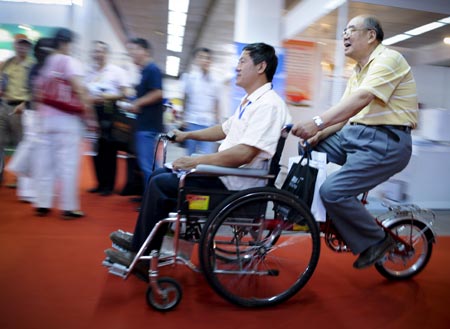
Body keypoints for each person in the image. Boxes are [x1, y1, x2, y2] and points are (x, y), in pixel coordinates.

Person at [105, 42, 292, 274]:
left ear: (261, 66)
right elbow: (223, 129)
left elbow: (245, 153)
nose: (237, 67)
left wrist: (195, 162)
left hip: (235, 184)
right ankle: (142, 245)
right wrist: (187, 135)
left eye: (242, 61)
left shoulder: (269, 106)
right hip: (226, 176)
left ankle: (142, 254)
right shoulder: (251, 101)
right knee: (159, 174)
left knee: (161, 184)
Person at [291, 15, 418, 269]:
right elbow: (346, 112)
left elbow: (362, 98)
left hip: (386, 141)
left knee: (333, 191)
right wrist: (319, 133)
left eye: (351, 30)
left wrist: (316, 122)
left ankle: (377, 240)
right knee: (309, 147)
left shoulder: (389, 59)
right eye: (344, 31)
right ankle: (326, 214)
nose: (345, 35)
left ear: (371, 35)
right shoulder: (358, 71)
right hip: (355, 135)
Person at [33, 28, 96, 219]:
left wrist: (39, 118)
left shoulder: (47, 64)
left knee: (46, 163)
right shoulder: (70, 62)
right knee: (68, 164)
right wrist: (90, 117)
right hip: (67, 120)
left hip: (47, 119)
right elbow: (79, 89)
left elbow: (38, 93)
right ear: (67, 43)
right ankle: (68, 207)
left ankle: (42, 203)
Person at [6, 37, 54, 203]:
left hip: (42, 114)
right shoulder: (35, 68)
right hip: (34, 114)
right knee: (32, 149)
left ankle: (35, 189)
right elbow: (35, 93)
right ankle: (27, 189)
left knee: (39, 152)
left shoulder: (41, 67)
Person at [85, 40, 129, 196]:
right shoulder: (89, 73)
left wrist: (108, 97)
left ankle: (109, 186)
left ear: (107, 54)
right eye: (96, 51)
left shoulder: (116, 71)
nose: (98, 54)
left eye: (101, 51)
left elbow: (126, 93)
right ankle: (99, 183)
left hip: (110, 112)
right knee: (95, 150)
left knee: (109, 150)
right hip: (92, 114)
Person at [125, 38, 164, 188]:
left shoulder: (152, 69)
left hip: (148, 126)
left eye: (135, 50)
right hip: (146, 124)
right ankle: (152, 196)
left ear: (145, 51)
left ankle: (153, 199)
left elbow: (158, 93)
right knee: (150, 164)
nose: (132, 54)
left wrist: (137, 103)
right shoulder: (144, 71)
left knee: (149, 165)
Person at [0, 34, 34, 187]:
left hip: (21, 108)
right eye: (19, 44)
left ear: (29, 47)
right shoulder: (7, 63)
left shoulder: (32, 65)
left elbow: (36, 89)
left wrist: (25, 103)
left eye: (25, 45)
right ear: (14, 45)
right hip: (4, 105)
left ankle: (21, 180)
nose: (22, 47)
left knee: (22, 144)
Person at [181, 47, 220, 155]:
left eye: (208, 58)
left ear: (211, 61)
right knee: (190, 154)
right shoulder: (189, 78)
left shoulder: (216, 81)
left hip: (208, 123)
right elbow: (185, 98)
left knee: (207, 155)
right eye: (201, 57)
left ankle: (203, 172)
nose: (205, 60)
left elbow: (217, 102)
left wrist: (217, 122)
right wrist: (183, 118)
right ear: (196, 60)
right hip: (192, 121)